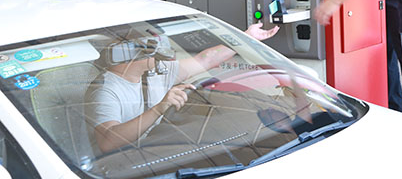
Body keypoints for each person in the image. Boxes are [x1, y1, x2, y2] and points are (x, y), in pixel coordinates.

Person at [86, 23, 278, 153]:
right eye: (147, 46)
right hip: (125, 164)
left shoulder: (156, 71)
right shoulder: (105, 90)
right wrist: (159, 109)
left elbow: (205, 60)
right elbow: (108, 142)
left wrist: (245, 37)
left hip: (155, 150)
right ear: (125, 52)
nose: (156, 51)